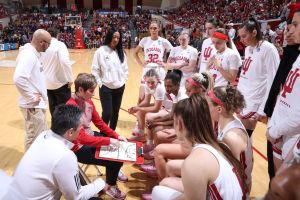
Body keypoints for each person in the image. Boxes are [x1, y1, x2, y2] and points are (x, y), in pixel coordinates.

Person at [152, 94, 247, 200]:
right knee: (165, 184)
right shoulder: (217, 145)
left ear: (180, 124)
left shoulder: (194, 162)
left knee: (157, 192)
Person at [9, 104, 105, 200]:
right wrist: (101, 183)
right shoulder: (65, 156)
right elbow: (76, 197)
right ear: (70, 132)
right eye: (80, 127)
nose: (81, 130)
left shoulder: (43, 135)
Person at [66, 73, 127, 200]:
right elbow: (81, 138)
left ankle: (113, 172)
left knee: (117, 146)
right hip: (78, 148)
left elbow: (99, 123)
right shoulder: (71, 106)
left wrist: (116, 135)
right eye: (91, 91)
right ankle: (111, 185)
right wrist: (108, 141)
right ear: (81, 90)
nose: (93, 94)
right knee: (115, 159)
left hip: (89, 137)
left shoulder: (88, 101)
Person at [264, 20, 300, 180]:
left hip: (291, 135)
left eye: (296, 25)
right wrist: (273, 124)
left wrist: (275, 130)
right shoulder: (296, 57)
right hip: (280, 131)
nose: (289, 30)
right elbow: (283, 92)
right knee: (275, 183)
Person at [237, 17, 280, 137]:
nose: (241, 40)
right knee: (242, 139)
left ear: (254, 32)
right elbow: (245, 75)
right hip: (243, 99)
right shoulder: (247, 49)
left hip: (254, 102)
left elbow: (273, 81)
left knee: (244, 138)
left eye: (244, 36)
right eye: (240, 36)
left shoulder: (268, 49)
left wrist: (263, 108)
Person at [206, 86, 253, 192]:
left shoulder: (232, 137)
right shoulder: (224, 120)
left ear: (219, 109)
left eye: (207, 106)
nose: (205, 109)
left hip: (236, 191)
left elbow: (231, 176)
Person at [13, 29, 52, 150]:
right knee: (36, 137)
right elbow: (19, 78)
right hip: (32, 105)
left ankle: (31, 164)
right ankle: (30, 166)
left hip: (35, 105)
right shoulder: (28, 55)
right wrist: (30, 97)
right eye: (48, 43)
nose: (49, 46)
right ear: (41, 42)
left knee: (35, 136)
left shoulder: (33, 54)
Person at [92, 28, 128, 131]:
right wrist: (100, 84)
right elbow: (95, 70)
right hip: (106, 87)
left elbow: (125, 69)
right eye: (114, 37)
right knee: (107, 113)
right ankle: (103, 133)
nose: (115, 39)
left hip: (119, 87)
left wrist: (123, 81)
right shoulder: (100, 51)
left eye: (118, 37)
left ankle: (112, 132)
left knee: (115, 112)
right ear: (109, 37)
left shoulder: (121, 52)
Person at [133, 21, 172, 103]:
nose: (153, 30)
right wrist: (141, 63)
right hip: (147, 69)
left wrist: (166, 64)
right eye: (151, 28)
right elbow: (135, 53)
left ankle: (155, 114)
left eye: (155, 28)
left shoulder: (163, 41)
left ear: (159, 29)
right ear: (149, 30)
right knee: (142, 97)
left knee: (158, 98)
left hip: (159, 70)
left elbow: (173, 52)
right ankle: (140, 114)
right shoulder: (144, 40)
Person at [41, 27, 73, 116]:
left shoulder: (43, 46)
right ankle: (64, 129)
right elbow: (65, 62)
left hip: (47, 84)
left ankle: (55, 128)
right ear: (57, 35)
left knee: (53, 108)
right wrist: (70, 79)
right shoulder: (60, 44)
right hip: (60, 83)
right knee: (65, 110)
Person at [129, 69, 166, 142]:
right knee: (140, 110)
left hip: (167, 108)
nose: (150, 85)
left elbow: (156, 108)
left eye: (153, 82)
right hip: (161, 105)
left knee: (148, 115)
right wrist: (135, 108)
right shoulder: (147, 85)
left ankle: (150, 142)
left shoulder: (160, 88)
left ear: (158, 79)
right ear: (145, 79)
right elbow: (146, 101)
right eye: (148, 82)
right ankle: (141, 135)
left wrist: (140, 108)